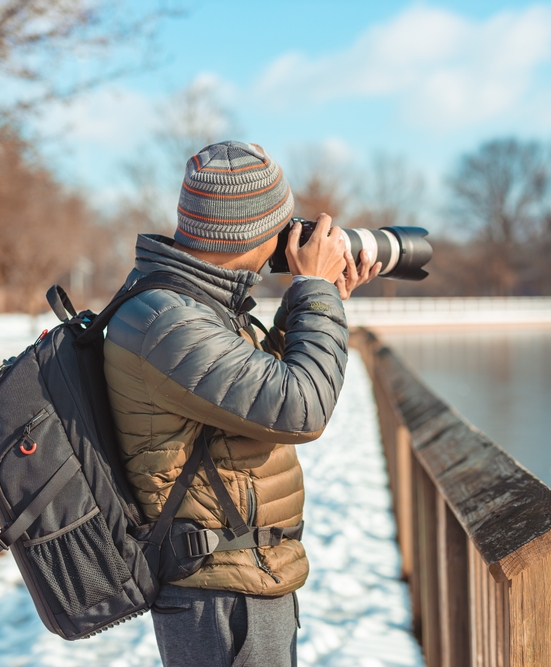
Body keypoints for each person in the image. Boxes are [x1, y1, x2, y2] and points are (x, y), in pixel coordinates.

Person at [102, 140, 381, 666]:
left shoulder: (190, 305)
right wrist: (314, 286)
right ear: (251, 233)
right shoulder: (170, 319)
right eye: (282, 227)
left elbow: (253, 393)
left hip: (239, 581)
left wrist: (323, 298)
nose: (290, 239)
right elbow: (302, 408)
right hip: (222, 597)